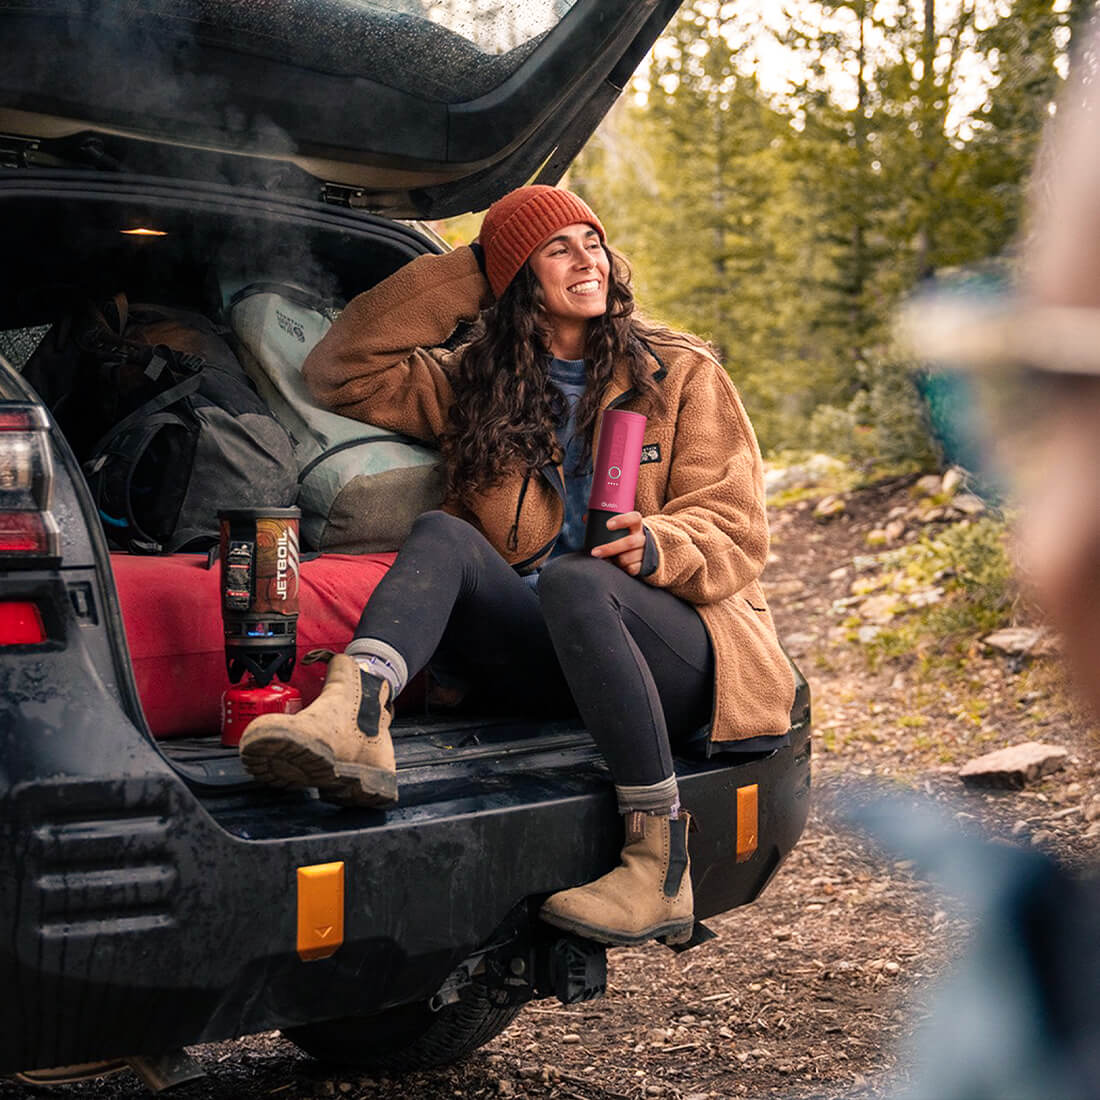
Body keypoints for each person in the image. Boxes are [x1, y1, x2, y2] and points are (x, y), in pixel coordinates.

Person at [238, 185, 795, 947]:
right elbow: (339, 369)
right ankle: (355, 715)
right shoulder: (475, 384)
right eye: (557, 248)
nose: (586, 260)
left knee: (576, 580)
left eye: (592, 243)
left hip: (677, 645)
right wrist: (474, 264)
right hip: (555, 653)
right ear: (516, 279)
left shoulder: (679, 373)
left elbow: (738, 524)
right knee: (441, 532)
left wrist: (662, 544)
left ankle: (659, 862)